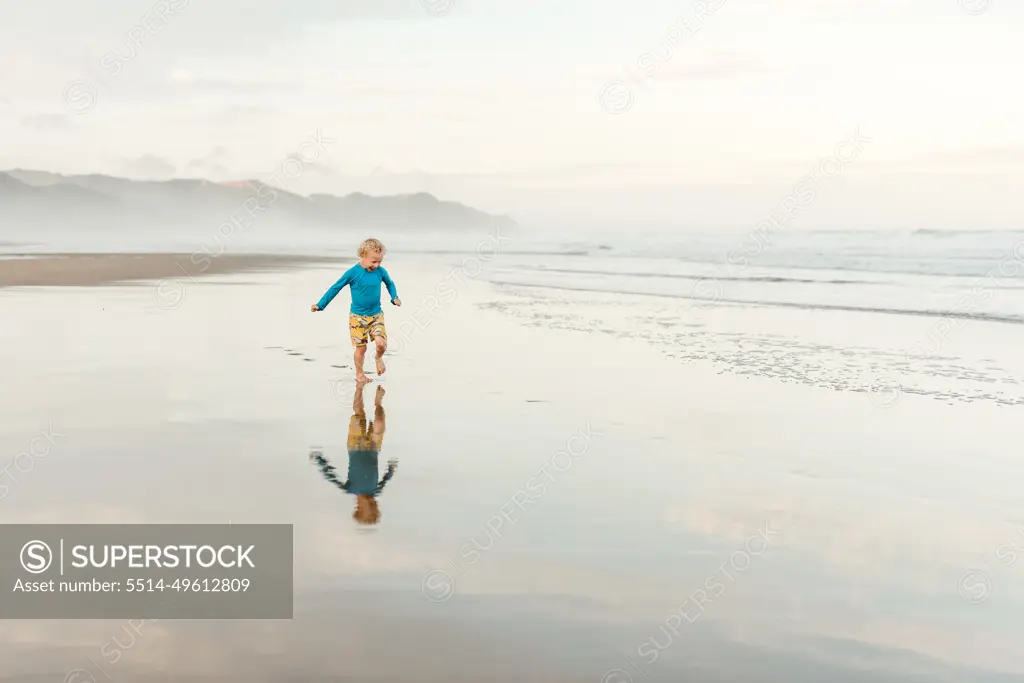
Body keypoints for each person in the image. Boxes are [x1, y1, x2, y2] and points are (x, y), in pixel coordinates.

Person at [311, 238, 401, 383]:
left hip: (376, 315)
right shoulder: (353, 273)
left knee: (381, 343)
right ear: (362, 256)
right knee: (361, 348)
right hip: (357, 317)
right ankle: (360, 374)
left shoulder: (380, 272)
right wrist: (321, 304)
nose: (376, 265)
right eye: (373, 261)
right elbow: (336, 287)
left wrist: (394, 297)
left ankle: (378, 358)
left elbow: (390, 283)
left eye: (379, 262)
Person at [310, 384, 397, 525]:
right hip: (374, 447)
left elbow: (331, 475)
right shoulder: (376, 490)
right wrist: (391, 469)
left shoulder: (350, 488)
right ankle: (378, 403)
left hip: (355, 444)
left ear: (359, 507)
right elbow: (386, 479)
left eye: (370, 505)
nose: (373, 502)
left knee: (358, 412)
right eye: (375, 505)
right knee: (379, 423)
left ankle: (359, 387)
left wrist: (319, 459)